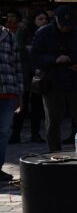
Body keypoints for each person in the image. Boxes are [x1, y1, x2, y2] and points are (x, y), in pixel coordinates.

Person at [30, 5, 77, 152]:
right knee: (53, 120)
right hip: (53, 83)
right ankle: (54, 152)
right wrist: (54, 60)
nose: (66, 28)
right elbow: (35, 56)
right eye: (63, 25)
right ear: (55, 20)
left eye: (69, 25)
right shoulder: (43, 33)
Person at [10, 11, 47, 144]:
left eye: (45, 19)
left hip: (38, 72)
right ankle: (15, 134)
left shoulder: (45, 33)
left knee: (37, 104)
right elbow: (18, 50)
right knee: (22, 103)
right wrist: (27, 49)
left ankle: (35, 134)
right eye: (40, 18)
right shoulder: (23, 32)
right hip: (25, 72)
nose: (43, 21)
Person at [0, 19, 23, 180]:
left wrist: (19, 93)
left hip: (9, 91)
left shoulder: (8, 35)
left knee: (3, 132)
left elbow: (17, 65)